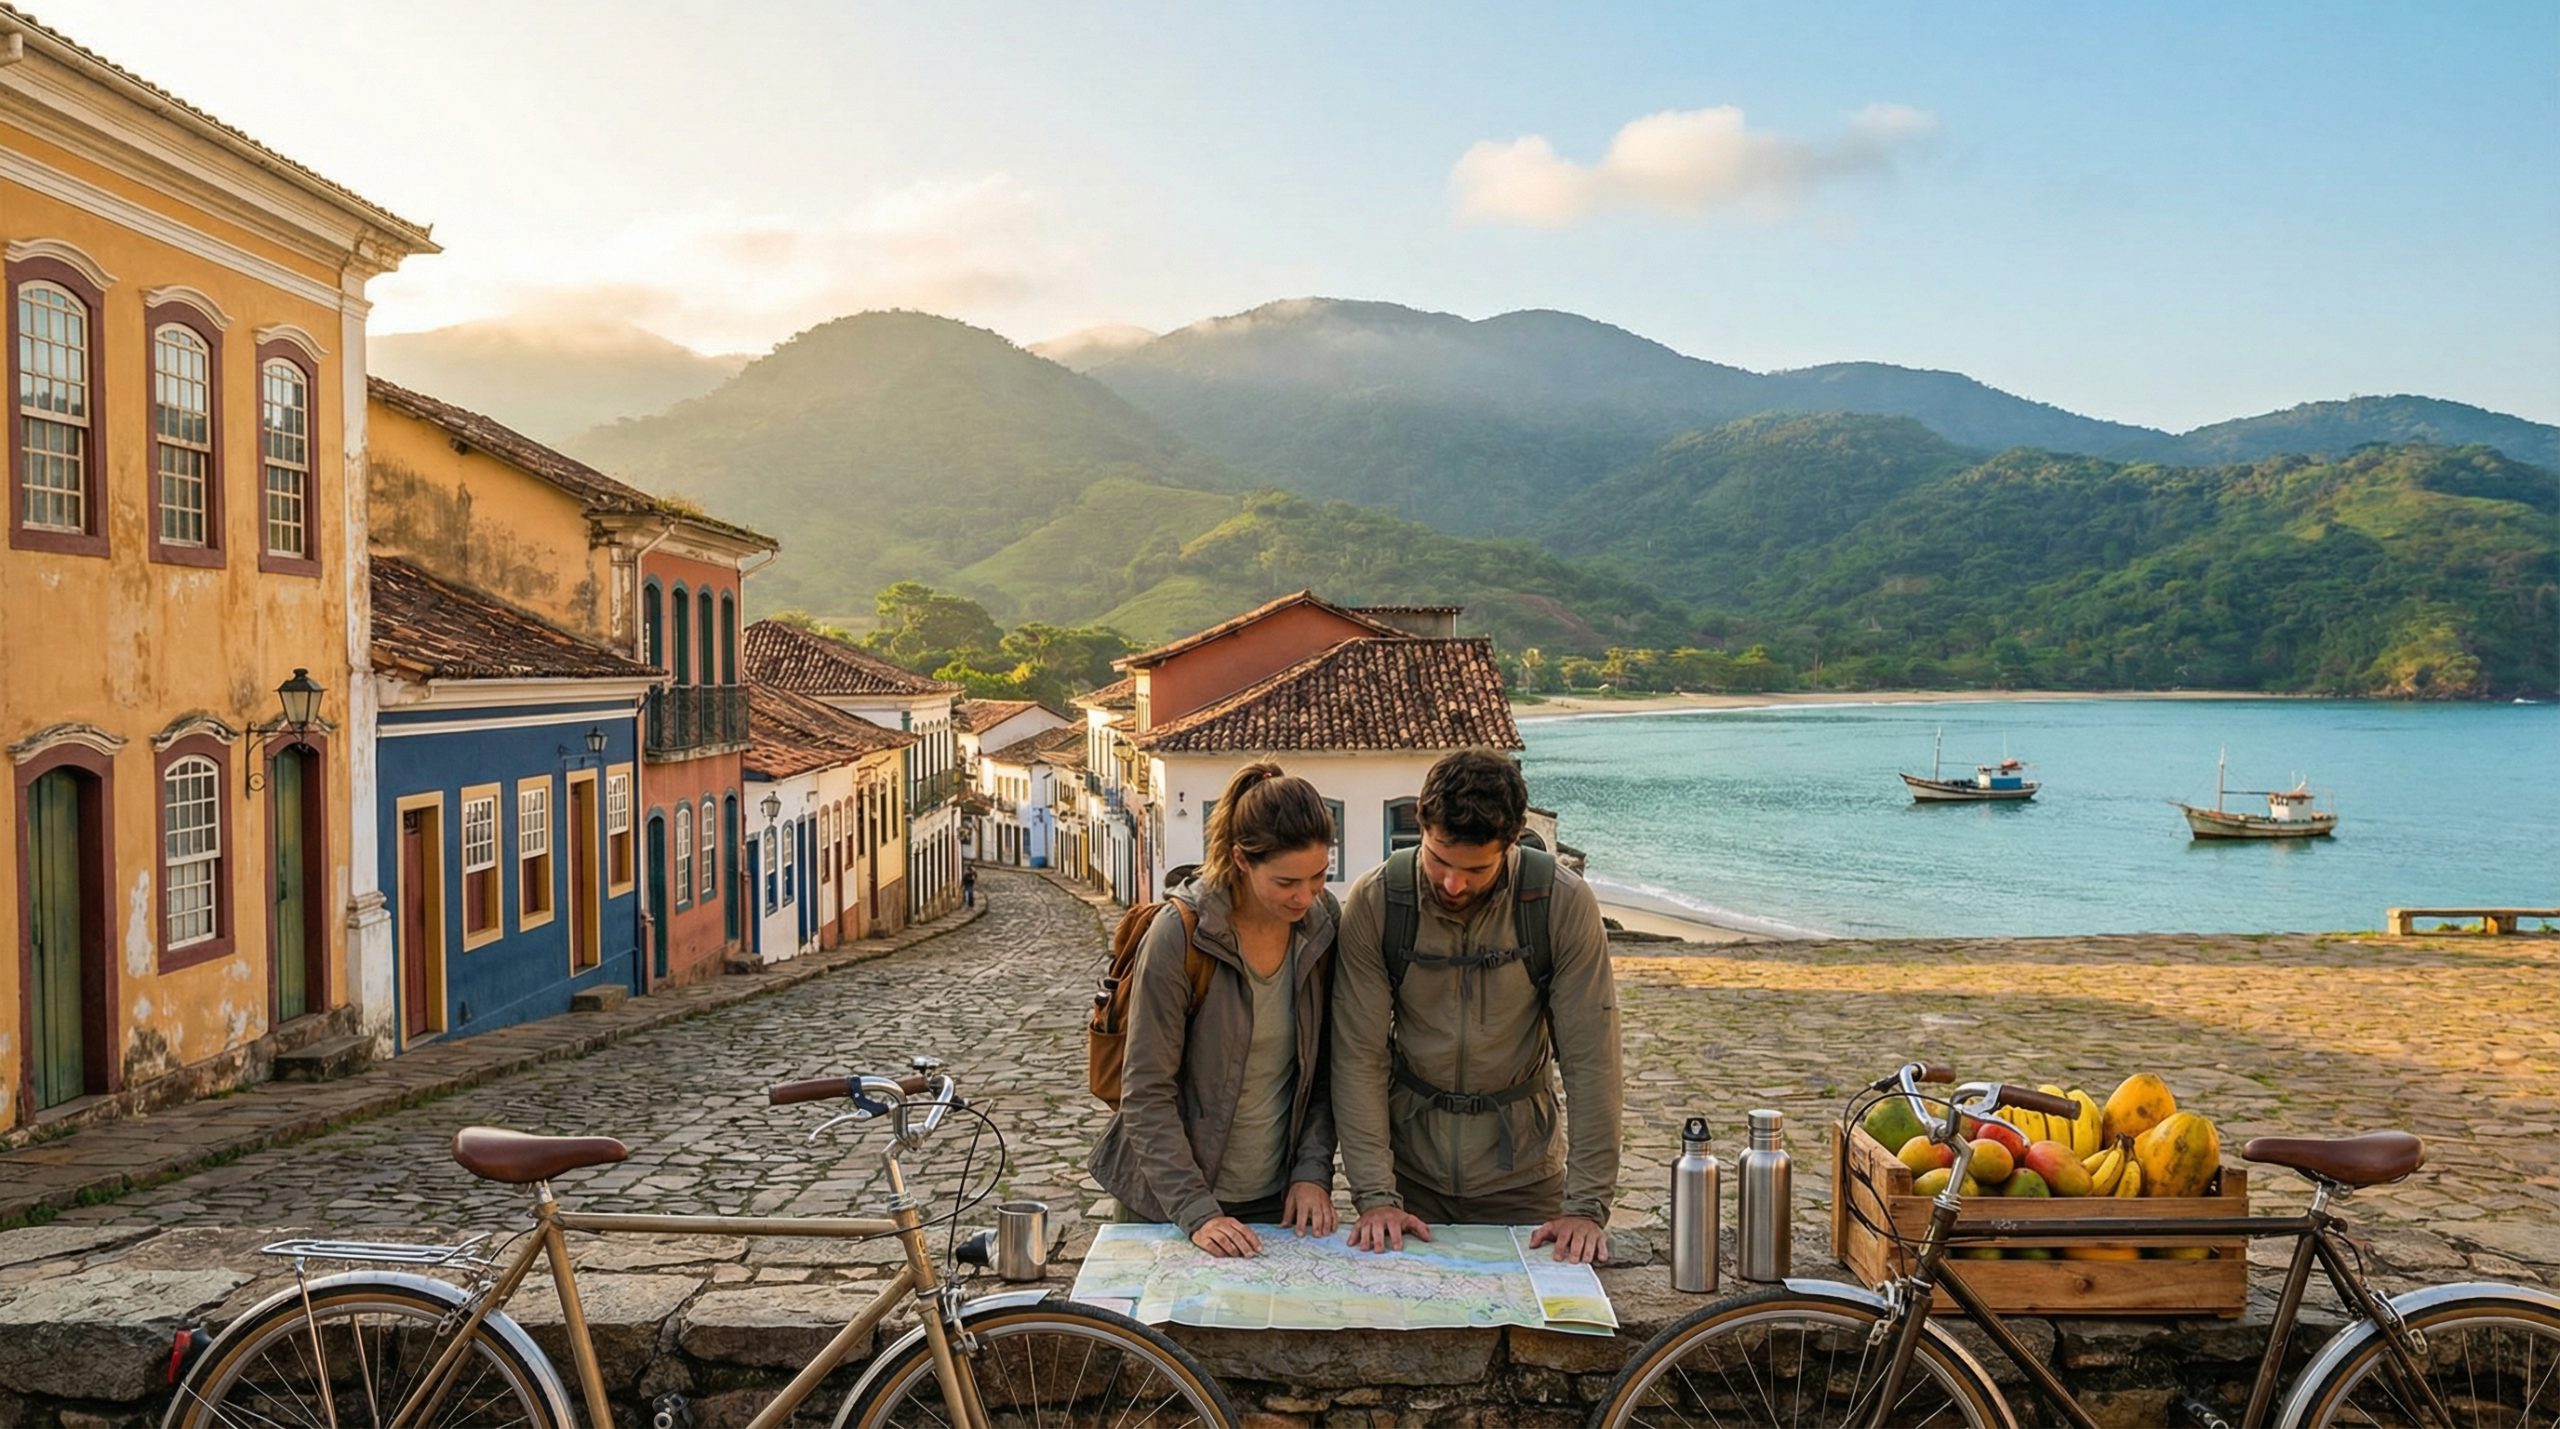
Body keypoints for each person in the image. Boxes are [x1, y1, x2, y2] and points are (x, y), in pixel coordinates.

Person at [1331, 748, 1622, 1264]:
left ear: (1510, 844)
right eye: (1439, 859)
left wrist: (1586, 1207)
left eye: (1476, 870)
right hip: (1410, 1178)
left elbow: (1591, 1061)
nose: (1452, 883)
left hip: (1525, 1179)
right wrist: (1376, 1196)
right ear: (1420, 821)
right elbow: (1358, 1058)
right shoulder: (1378, 902)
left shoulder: (1560, 902)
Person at [1088, 763, 1343, 1256]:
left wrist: (1312, 1173)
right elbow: (1146, 1094)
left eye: (1319, 876)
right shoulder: (1180, 935)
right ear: (1241, 860)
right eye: (1287, 881)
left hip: (1273, 1203)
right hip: (1167, 1205)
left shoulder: (1322, 924)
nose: (1305, 896)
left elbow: (1325, 1074)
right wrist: (1197, 1211)